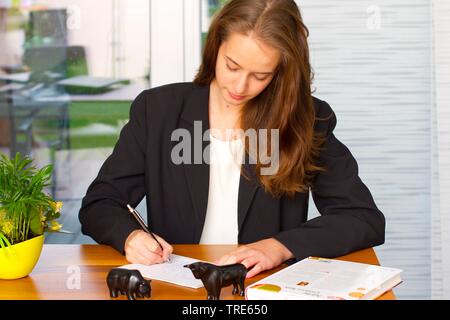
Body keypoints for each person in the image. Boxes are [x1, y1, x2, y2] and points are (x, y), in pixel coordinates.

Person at [79, 0, 385, 279]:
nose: (240, 86)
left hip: (260, 286)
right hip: (175, 285)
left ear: (281, 72)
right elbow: (100, 204)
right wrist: (130, 237)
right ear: (215, 47)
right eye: (232, 66)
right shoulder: (157, 110)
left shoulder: (307, 119)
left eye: (261, 75)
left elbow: (363, 218)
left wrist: (279, 246)